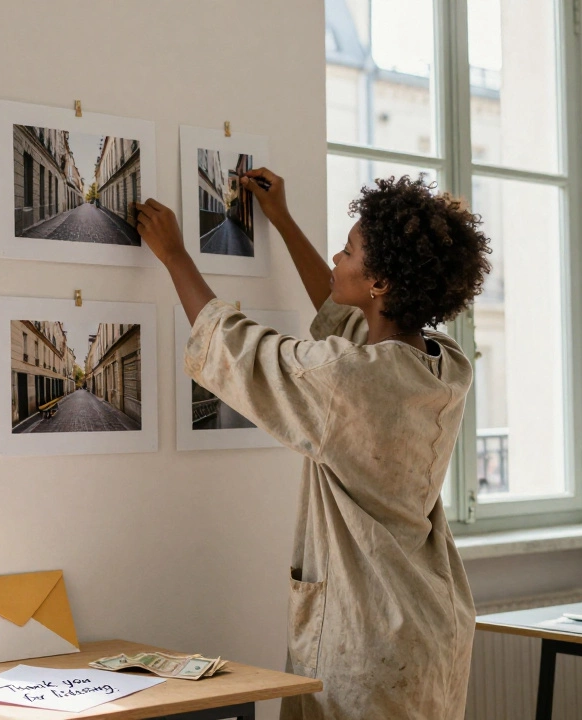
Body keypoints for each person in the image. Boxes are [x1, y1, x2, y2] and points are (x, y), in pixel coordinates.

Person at [134, 171, 491, 720]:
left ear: (381, 283)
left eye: (348, 252)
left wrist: (176, 255)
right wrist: (280, 219)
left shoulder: (351, 380)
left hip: (368, 636)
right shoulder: (442, 365)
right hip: (430, 622)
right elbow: (342, 314)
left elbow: (239, 349)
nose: (336, 258)